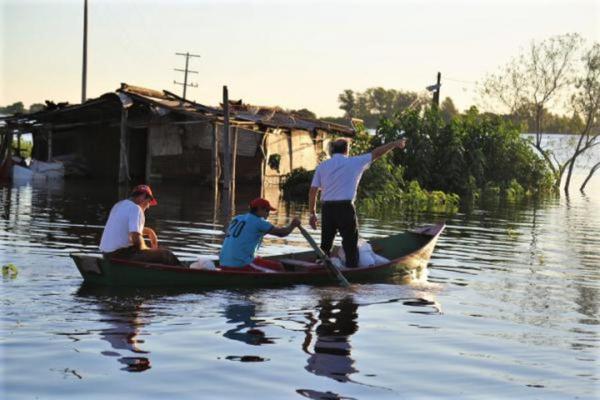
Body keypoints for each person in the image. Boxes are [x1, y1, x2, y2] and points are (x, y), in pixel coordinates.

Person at [308, 137, 406, 268]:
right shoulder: (354, 162)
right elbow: (377, 153)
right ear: (347, 149)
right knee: (350, 245)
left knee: (325, 244)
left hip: (327, 209)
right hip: (345, 208)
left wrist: (312, 214)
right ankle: (352, 272)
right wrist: (393, 144)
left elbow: (313, 191)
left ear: (332, 150)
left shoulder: (322, 166)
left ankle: (319, 268)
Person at [99, 184, 181, 266]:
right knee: (166, 255)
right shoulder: (136, 208)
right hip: (120, 256)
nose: (148, 206)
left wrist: (149, 232)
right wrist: (150, 250)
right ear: (143, 196)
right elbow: (136, 240)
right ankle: (183, 273)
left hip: (106, 255)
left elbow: (125, 229)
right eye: (148, 202)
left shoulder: (118, 205)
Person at [219, 198, 301, 272]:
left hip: (222, 263)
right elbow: (282, 233)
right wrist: (293, 225)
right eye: (267, 211)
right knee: (278, 267)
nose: (268, 214)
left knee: (258, 259)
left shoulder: (236, 218)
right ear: (259, 209)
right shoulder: (259, 222)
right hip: (241, 264)